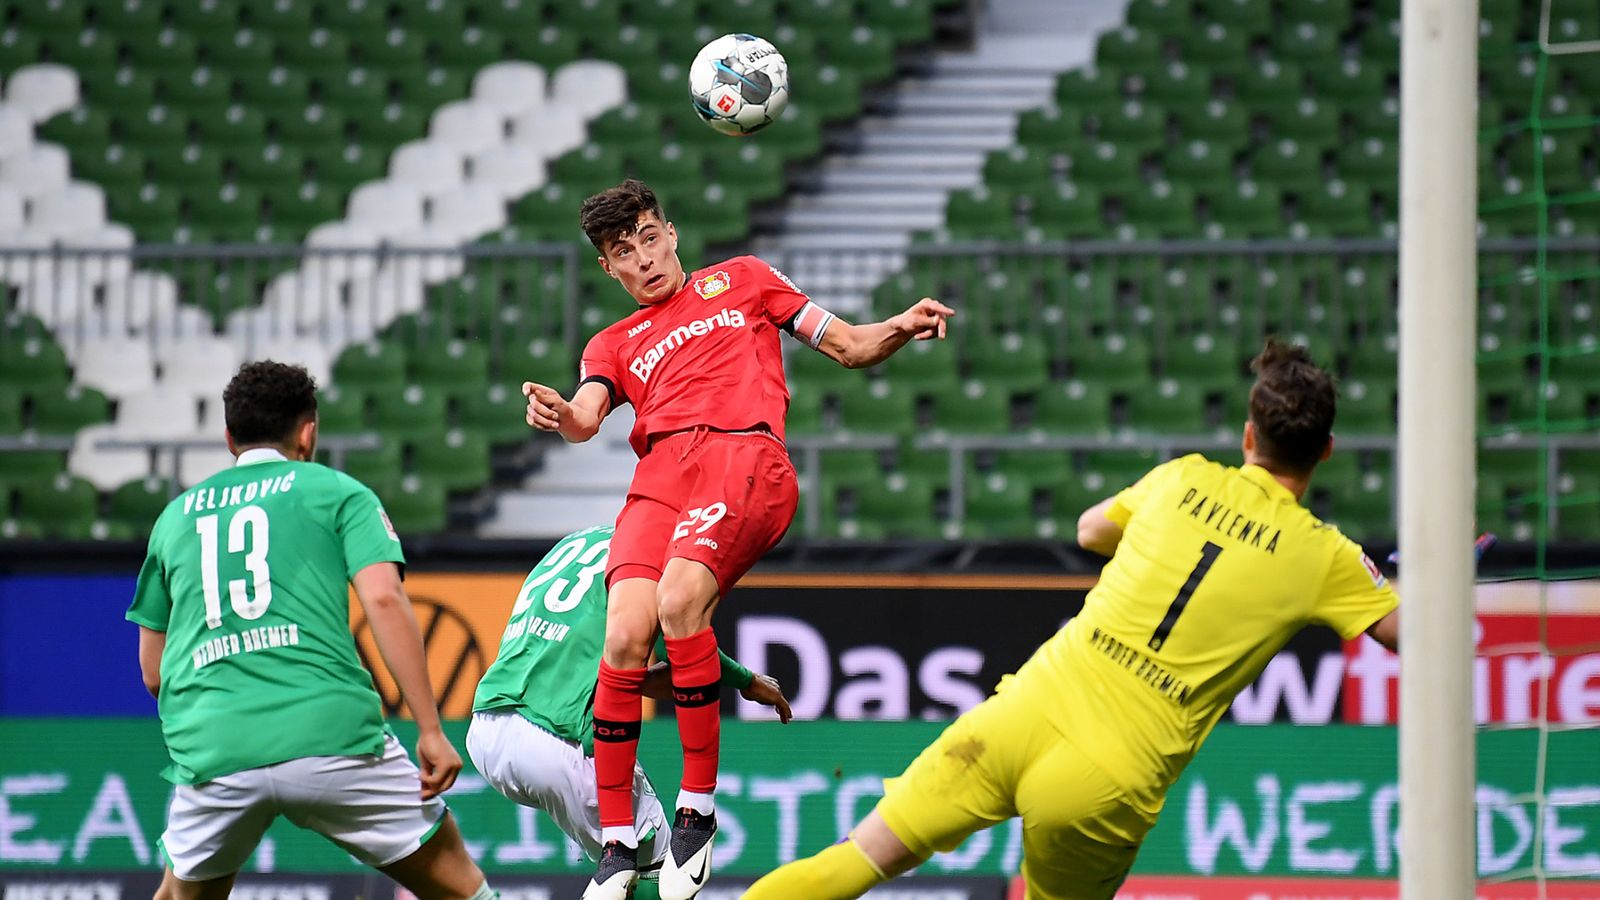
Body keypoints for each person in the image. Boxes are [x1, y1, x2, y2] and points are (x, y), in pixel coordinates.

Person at [743, 339, 1402, 900]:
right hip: (1107, 780)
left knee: (858, 857)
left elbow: (1090, 530)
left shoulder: (1181, 479)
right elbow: (1415, 636)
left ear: (1248, 435)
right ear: (1326, 452)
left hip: (1022, 714)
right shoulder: (1324, 556)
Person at [520, 178, 955, 899]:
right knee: (625, 635)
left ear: (673, 232)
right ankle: (620, 842)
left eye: (650, 237)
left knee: (680, 603)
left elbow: (846, 344)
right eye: (624, 252)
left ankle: (695, 812)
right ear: (608, 267)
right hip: (659, 475)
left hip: (741, 457)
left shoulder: (745, 280)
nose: (644, 259)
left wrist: (900, 326)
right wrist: (561, 412)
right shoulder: (612, 342)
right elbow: (587, 417)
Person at [126, 361, 492, 900]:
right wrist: (430, 729)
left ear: (230, 438)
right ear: (308, 431)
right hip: (333, 735)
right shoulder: (339, 492)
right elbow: (385, 599)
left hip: (215, 747)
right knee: (458, 885)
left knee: (181, 891)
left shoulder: (174, 518)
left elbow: (153, 672)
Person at [465, 524, 793, 900]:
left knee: (624, 874)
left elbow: (627, 676)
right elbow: (687, 657)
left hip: (487, 727)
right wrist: (746, 680)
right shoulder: (655, 554)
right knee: (663, 877)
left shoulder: (576, 541)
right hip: (558, 738)